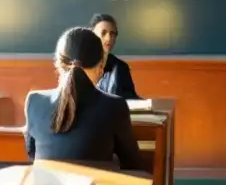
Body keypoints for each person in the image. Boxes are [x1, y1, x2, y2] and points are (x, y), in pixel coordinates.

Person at [25, 27, 144, 171]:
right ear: (101, 66)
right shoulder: (114, 106)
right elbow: (132, 162)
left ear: (58, 64)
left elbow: (32, 152)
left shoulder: (34, 101)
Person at [89, 14, 140, 99]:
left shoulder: (120, 67)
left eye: (112, 34)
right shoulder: (80, 65)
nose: (109, 38)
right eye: (103, 33)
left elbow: (131, 99)